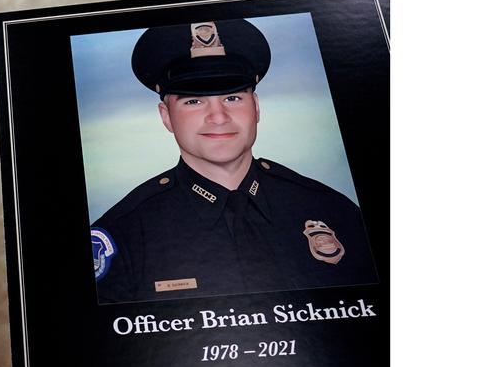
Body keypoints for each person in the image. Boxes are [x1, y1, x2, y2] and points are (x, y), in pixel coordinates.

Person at [91, 19, 377, 303]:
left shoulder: (335, 211)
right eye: (194, 101)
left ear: (256, 107)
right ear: (166, 116)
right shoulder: (124, 235)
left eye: (232, 98)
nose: (218, 117)